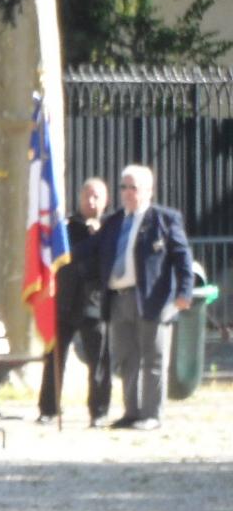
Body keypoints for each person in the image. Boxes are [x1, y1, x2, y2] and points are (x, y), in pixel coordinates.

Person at [76, 163, 193, 431]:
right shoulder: (114, 222)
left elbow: (182, 258)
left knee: (153, 358)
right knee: (126, 358)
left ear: (148, 191)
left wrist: (184, 293)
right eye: (124, 187)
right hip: (119, 300)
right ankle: (132, 411)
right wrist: (57, 251)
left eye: (134, 187)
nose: (128, 193)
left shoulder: (164, 219)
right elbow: (89, 250)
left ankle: (152, 414)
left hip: (153, 299)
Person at [37, 178, 112, 426]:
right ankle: (49, 408)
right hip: (65, 299)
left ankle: (99, 411)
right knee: (55, 357)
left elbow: (108, 261)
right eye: (87, 196)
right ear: (79, 198)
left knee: (98, 358)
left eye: (97, 197)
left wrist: (100, 236)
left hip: (94, 302)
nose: (91, 202)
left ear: (105, 201)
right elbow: (64, 256)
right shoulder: (67, 226)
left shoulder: (110, 228)